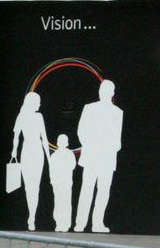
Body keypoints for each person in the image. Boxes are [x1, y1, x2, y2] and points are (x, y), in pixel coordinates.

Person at [74, 79, 122, 234]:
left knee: (103, 191)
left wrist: (112, 147)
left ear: (112, 93)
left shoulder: (117, 112)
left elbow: (117, 138)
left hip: (106, 157)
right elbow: (81, 131)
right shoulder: (89, 108)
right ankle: (80, 223)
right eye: (102, 89)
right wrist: (92, 145)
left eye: (107, 90)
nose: (103, 92)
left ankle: (97, 223)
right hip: (93, 156)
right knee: (87, 189)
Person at [10, 92, 51, 231]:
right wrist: (14, 150)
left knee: (35, 187)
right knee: (29, 187)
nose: (39, 104)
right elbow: (16, 136)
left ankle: (32, 216)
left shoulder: (39, 116)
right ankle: (31, 214)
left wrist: (49, 158)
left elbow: (44, 138)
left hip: (37, 153)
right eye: (38, 101)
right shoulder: (21, 116)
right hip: (27, 152)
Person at [49, 133, 76, 232]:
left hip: (67, 182)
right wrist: (53, 180)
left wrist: (64, 168)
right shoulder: (54, 155)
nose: (62, 143)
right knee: (58, 202)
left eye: (64, 141)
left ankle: (66, 224)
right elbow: (51, 169)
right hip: (57, 183)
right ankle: (59, 223)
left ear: (66, 143)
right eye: (60, 141)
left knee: (66, 203)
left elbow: (73, 165)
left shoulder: (69, 154)